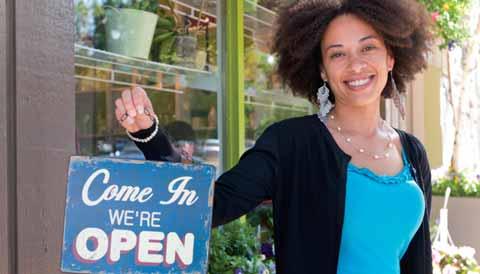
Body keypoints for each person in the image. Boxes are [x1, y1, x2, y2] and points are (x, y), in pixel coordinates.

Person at [114, 1, 434, 273]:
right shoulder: (291, 143)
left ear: (390, 57)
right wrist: (150, 135)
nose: (356, 65)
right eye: (338, 54)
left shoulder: (412, 151)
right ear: (322, 69)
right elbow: (212, 204)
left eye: (368, 47)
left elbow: (417, 261)